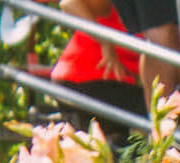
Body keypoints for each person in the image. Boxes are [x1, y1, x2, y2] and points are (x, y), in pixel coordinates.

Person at [51, 2, 146, 142]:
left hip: (112, 87)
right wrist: (104, 40)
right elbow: (69, 4)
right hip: (82, 80)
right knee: (152, 113)